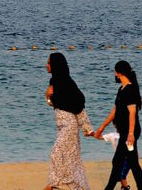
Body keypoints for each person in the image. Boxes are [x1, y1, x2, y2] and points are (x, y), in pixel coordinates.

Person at [45, 52, 94, 190]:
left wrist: (87, 128)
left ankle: (54, 184)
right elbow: (55, 104)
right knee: (70, 159)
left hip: (69, 126)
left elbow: (78, 104)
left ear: (55, 65)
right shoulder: (54, 82)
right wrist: (47, 95)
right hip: (61, 127)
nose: (46, 65)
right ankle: (74, 186)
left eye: (49, 63)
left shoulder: (67, 82)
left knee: (56, 153)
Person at [93, 60, 142, 190]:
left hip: (130, 133)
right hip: (125, 133)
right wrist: (102, 127)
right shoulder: (121, 89)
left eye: (115, 72)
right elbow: (115, 110)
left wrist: (131, 134)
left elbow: (132, 113)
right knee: (132, 162)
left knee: (118, 161)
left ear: (118, 73)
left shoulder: (130, 89)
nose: (114, 75)